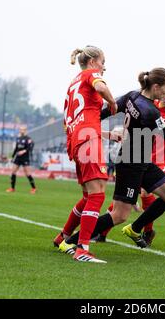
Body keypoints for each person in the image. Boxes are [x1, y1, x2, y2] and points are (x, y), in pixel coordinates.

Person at [62, 67, 165, 254]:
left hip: (142, 161)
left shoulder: (131, 96)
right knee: (119, 215)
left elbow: (105, 112)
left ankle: (135, 229)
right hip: (131, 163)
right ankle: (71, 241)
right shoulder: (151, 111)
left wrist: (86, 124)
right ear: (157, 87)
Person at [53, 46, 117, 263]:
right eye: (102, 61)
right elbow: (100, 86)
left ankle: (62, 237)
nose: (104, 66)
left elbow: (77, 118)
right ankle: (82, 249)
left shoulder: (73, 83)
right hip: (88, 139)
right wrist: (113, 102)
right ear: (92, 62)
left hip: (77, 140)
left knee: (88, 196)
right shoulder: (91, 75)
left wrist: (106, 134)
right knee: (98, 193)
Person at [5, 126, 37, 194]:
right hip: (18, 157)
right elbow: (16, 149)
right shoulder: (18, 139)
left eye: (23, 130)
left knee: (27, 173)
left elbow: (30, 147)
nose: (21, 131)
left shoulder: (28, 139)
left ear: (25, 131)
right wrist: (12, 156)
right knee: (13, 172)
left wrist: (24, 151)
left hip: (25, 158)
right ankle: (12, 188)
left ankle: (33, 188)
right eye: (20, 129)